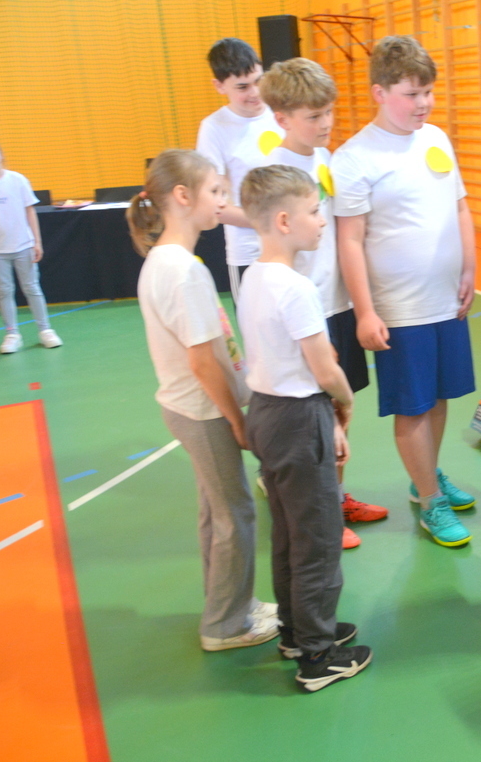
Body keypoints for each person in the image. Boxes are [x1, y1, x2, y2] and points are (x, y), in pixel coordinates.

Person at [128, 150, 278, 652]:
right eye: (215, 191)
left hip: (191, 407)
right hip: (203, 410)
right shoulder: (181, 271)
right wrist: (236, 419)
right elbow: (202, 362)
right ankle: (225, 625)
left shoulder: (168, 261)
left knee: (217, 513)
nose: (222, 201)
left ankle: (233, 603)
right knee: (235, 516)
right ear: (182, 196)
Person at [332, 36, 477, 548]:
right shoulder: (354, 158)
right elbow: (349, 241)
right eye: (411, 94)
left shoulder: (436, 138)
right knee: (412, 407)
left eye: (428, 92)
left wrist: (469, 267)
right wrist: (365, 312)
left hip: (446, 299)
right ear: (379, 92)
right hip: (400, 308)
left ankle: (426, 479)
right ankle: (431, 503)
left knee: (439, 398)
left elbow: (459, 207)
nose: (424, 104)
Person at [237, 164, 373, 693]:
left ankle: (297, 630)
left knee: (290, 532)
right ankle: (318, 656)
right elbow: (324, 368)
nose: (322, 221)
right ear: (284, 221)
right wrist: (344, 403)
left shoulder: (253, 276)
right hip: (298, 417)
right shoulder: (294, 287)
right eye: (315, 212)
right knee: (317, 539)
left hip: (267, 412)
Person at [257, 57, 388, 549]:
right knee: (315, 420)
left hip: (338, 305)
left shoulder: (326, 159)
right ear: (282, 118)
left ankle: (334, 496)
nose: (326, 122)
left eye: (329, 111)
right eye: (313, 116)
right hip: (306, 316)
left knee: (338, 414)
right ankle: (320, 511)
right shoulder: (273, 174)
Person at [195, 38, 283, 308]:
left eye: (258, 81)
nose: (255, 92)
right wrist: (270, 223)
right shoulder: (214, 128)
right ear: (219, 86)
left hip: (294, 247)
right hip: (250, 253)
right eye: (243, 87)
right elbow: (215, 205)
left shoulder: (282, 113)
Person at [0, 136, 62, 354]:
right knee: (4, 291)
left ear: (0, 154)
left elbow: (30, 211)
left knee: (32, 288)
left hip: (23, 246)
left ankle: (45, 330)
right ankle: (12, 334)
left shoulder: (18, 180)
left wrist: (36, 241)